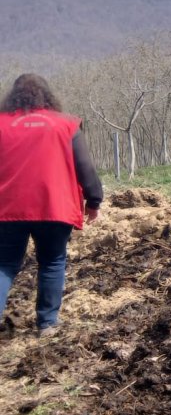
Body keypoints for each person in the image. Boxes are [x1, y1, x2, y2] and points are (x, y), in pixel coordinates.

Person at [0, 73, 103, 338]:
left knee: (4, 265)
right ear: (47, 96)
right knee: (52, 262)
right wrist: (94, 200)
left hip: (8, 208)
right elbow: (85, 166)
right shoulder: (66, 125)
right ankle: (47, 324)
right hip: (54, 207)